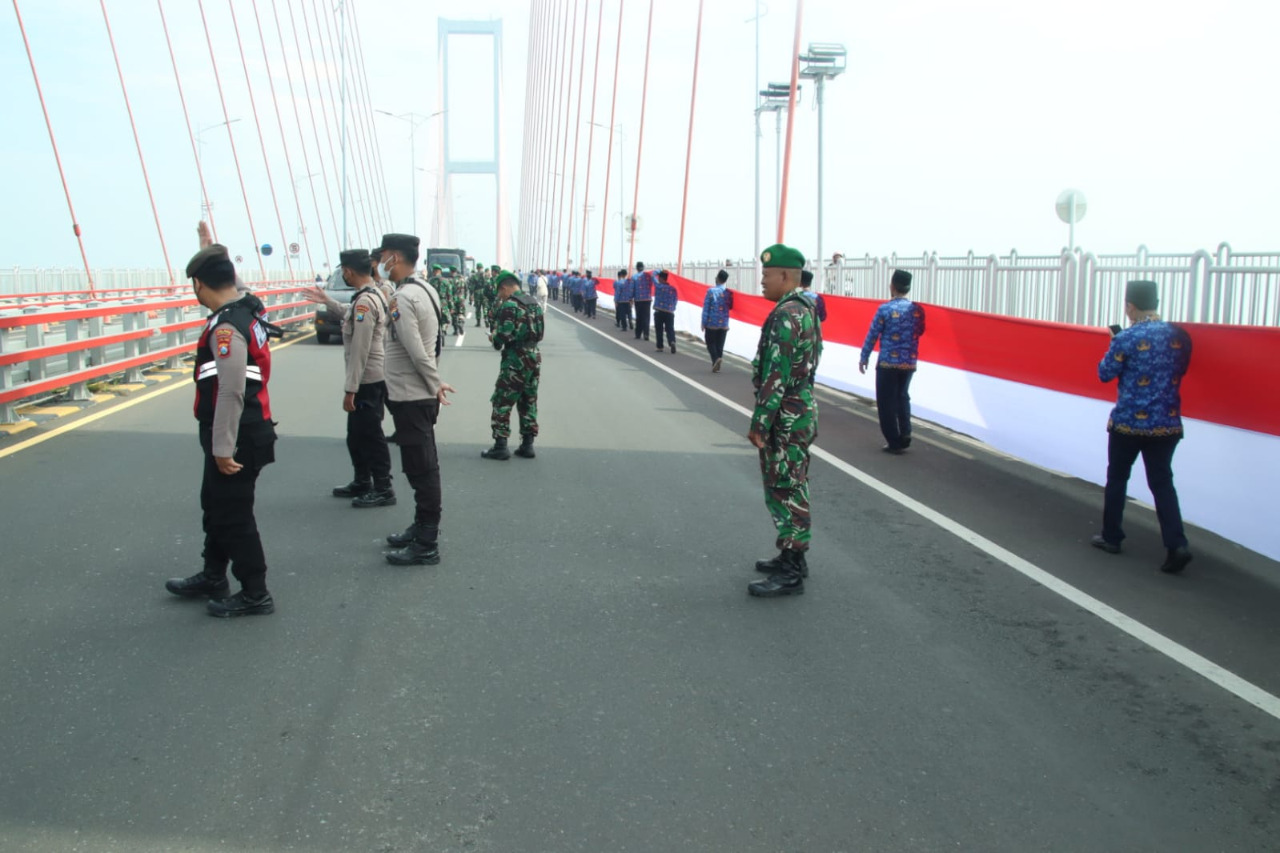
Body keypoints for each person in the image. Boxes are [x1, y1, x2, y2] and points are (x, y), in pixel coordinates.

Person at [165, 243, 282, 617]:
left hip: (236, 434)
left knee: (233, 516)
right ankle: (214, 575)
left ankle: (255, 593)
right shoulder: (249, 308)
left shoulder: (227, 328)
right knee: (216, 506)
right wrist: (208, 244)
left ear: (198, 285)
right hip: (243, 428)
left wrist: (222, 448)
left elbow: (230, 390)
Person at [1093, 279, 1194, 574]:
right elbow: (1183, 369)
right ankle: (1177, 545)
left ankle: (1112, 537)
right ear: (1157, 304)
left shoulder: (1127, 338)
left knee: (1118, 478)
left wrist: (1115, 341)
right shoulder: (1180, 336)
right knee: (1162, 482)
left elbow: (1104, 373)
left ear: (1130, 306)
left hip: (1128, 424)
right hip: (1167, 424)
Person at [747, 244, 823, 598]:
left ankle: (792, 568)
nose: (761, 282)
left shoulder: (785, 315)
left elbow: (775, 376)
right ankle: (791, 556)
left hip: (786, 416)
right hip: (800, 409)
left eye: (765, 276)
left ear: (783, 276)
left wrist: (760, 423)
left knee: (785, 488)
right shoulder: (807, 308)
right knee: (793, 482)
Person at [379, 234, 456, 566]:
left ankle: (427, 542)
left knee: (422, 468)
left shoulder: (404, 297)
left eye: (383, 256)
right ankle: (420, 527)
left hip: (412, 394)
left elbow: (416, 349)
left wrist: (434, 382)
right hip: (415, 393)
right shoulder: (426, 289)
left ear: (394, 257)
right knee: (419, 464)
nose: (380, 263)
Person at [303, 249, 395, 508]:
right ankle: (362, 480)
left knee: (371, 435)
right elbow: (348, 313)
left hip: (368, 379)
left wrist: (350, 389)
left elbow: (360, 350)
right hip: (368, 378)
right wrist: (326, 299)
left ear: (347, 271)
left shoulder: (366, 301)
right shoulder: (369, 295)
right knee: (355, 435)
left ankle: (383, 487)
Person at [859, 270, 926, 454]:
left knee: (886, 402)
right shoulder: (917, 310)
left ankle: (894, 441)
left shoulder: (885, 309)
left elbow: (873, 334)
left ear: (892, 287)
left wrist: (864, 357)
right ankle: (906, 433)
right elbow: (920, 331)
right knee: (902, 397)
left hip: (888, 362)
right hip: (909, 362)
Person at [482, 270, 544, 460]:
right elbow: (540, 333)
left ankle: (500, 445)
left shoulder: (509, 305)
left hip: (515, 358)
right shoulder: (535, 303)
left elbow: (503, 337)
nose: (500, 296)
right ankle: (527, 444)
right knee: (528, 400)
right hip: (534, 356)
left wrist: (494, 337)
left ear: (505, 287)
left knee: (502, 400)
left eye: (500, 292)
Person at [701, 268, 734, 372]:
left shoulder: (711, 291)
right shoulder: (729, 293)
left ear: (718, 279)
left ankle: (716, 359)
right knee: (720, 345)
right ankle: (716, 365)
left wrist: (703, 322)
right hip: (724, 323)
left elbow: (706, 307)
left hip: (712, 322)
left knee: (710, 342)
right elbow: (731, 306)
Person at [653, 269, 679, 353]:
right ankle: (672, 341)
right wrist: (672, 308)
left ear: (660, 278)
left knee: (659, 329)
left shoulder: (658, 286)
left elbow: (653, 275)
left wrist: (659, 270)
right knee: (670, 329)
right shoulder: (673, 289)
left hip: (659, 311)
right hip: (669, 312)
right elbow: (675, 300)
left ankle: (660, 346)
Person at [631, 262, 653, 341]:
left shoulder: (634, 277)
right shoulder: (648, 276)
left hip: (638, 300)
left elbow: (632, 289)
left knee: (639, 317)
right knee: (646, 318)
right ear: (643, 267)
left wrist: (631, 299)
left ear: (637, 268)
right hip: (647, 299)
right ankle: (646, 334)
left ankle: (638, 334)